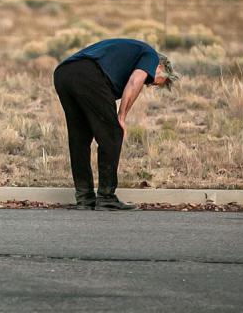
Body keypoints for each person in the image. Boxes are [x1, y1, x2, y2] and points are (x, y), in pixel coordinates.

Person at [53, 38, 180, 211]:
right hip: (88, 74)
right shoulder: (150, 56)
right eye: (153, 81)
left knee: (79, 138)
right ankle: (106, 197)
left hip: (63, 73)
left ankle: (84, 198)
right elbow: (135, 81)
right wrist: (121, 117)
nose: (149, 84)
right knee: (113, 133)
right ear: (160, 67)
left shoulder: (129, 55)